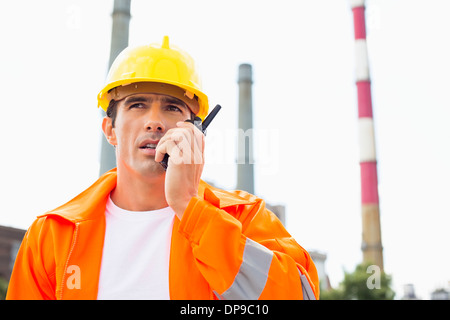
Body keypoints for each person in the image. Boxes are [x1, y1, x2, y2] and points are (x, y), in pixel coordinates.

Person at [6, 36, 319, 300]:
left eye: (171, 107)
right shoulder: (53, 236)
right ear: (109, 129)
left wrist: (189, 207)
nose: (154, 121)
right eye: (137, 104)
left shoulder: (245, 219)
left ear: (196, 129)